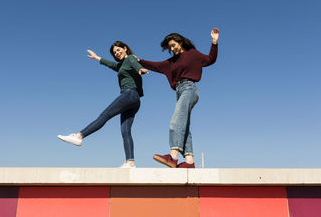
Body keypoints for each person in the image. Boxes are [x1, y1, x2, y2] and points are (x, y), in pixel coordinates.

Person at [58, 41, 148, 168]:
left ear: (125, 48)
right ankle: (130, 162)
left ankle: (79, 136)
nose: (117, 53)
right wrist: (98, 58)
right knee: (125, 130)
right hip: (135, 99)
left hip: (129, 94)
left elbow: (134, 62)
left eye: (118, 50)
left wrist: (141, 69)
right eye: (114, 52)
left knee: (104, 115)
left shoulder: (130, 59)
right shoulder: (122, 65)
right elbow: (112, 65)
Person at [138, 29, 219, 168]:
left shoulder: (192, 53)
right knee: (184, 125)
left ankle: (173, 156)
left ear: (180, 42)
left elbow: (210, 59)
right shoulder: (172, 62)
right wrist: (138, 61)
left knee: (176, 121)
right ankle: (189, 162)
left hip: (189, 88)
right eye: (170, 47)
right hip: (179, 92)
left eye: (174, 45)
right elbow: (156, 65)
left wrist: (214, 42)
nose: (172, 48)